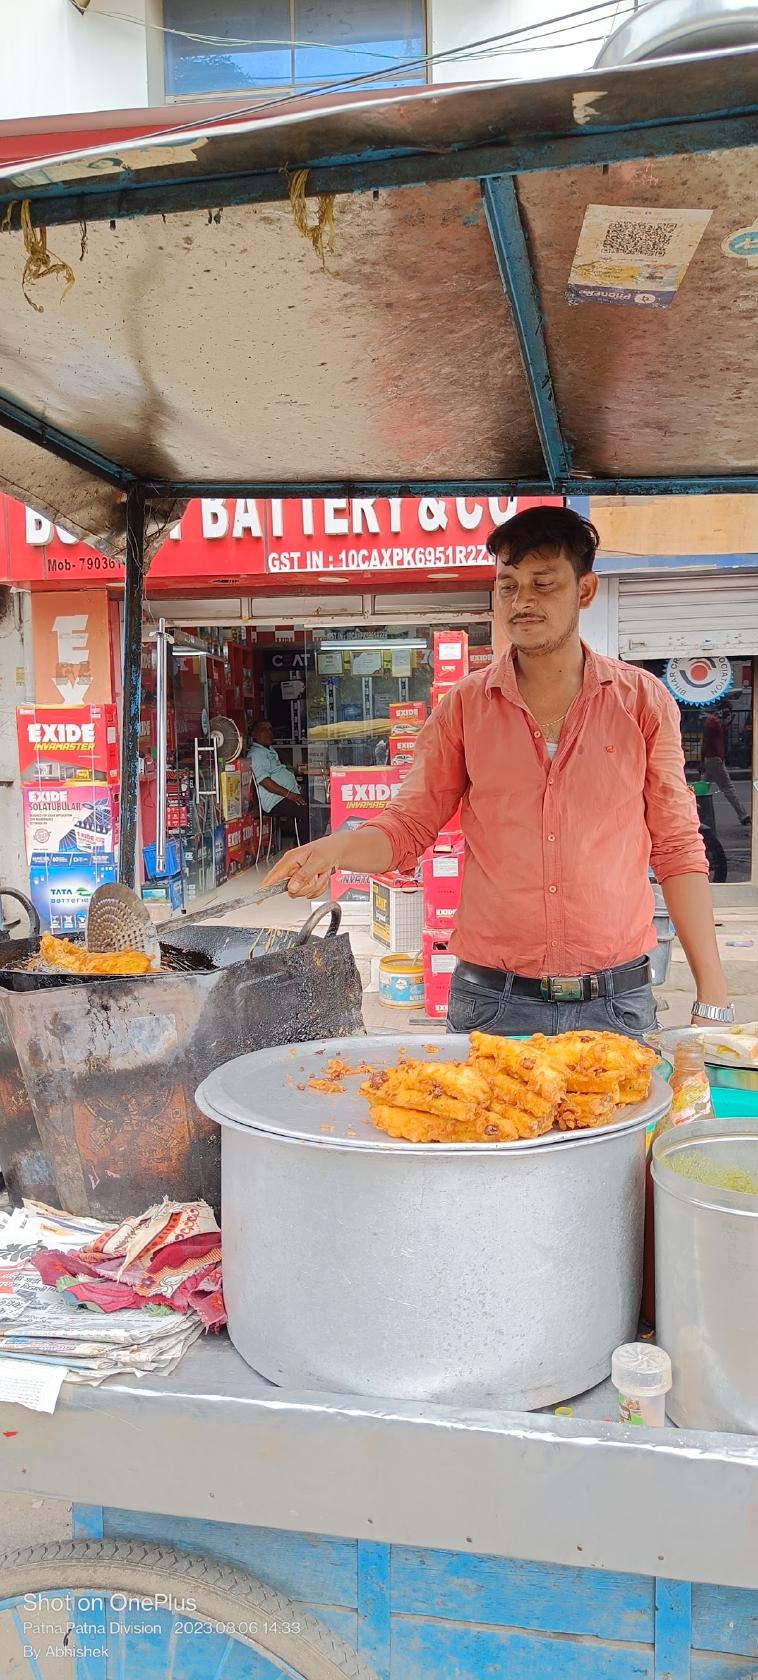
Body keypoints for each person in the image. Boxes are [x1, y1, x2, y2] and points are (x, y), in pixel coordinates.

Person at [265, 507, 732, 1038]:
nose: (522, 601)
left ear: (584, 590)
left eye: (542, 583)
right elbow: (408, 828)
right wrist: (333, 850)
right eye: (507, 585)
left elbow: (676, 847)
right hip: (494, 1005)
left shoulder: (641, 702)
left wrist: (712, 999)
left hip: (615, 1005)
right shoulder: (464, 706)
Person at [248, 720, 306, 835]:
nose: (269, 732)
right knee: (308, 813)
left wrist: (294, 770)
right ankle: (305, 850)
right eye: (264, 729)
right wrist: (290, 795)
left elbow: (278, 770)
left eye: (270, 729)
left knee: (316, 807)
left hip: (287, 795)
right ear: (254, 734)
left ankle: (302, 845)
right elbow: (265, 781)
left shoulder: (268, 750)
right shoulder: (256, 754)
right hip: (275, 800)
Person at [701, 702, 750, 827]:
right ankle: (743, 815)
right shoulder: (713, 722)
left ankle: (692, 813)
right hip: (715, 759)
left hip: (711, 758)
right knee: (728, 787)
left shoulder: (712, 721)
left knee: (702, 788)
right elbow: (711, 738)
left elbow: (713, 736)